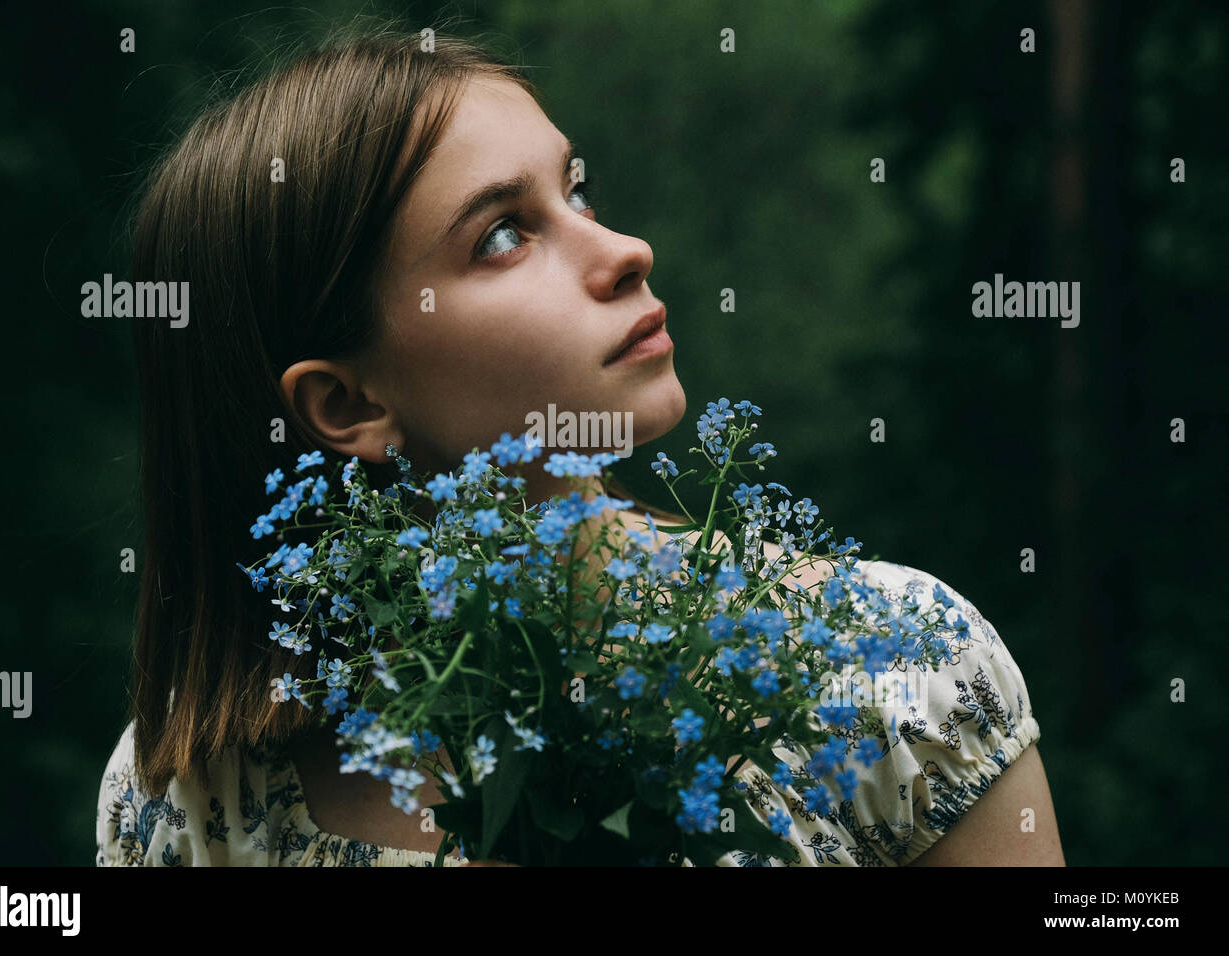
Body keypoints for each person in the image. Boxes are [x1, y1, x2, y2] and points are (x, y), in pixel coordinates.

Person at [95, 24, 1064, 867]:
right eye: (504, 235)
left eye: (578, 190)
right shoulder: (186, 802)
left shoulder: (896, 674)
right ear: (345, 403)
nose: (624, 249)